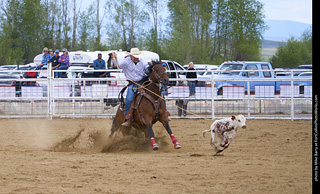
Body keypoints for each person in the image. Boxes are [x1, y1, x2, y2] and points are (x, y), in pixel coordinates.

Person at [114, 48, 149, 126]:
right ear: (130, 56)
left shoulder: (143, 62)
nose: (136, 58)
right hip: (132, 84)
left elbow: (148, 69)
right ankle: (128, 118)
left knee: (153, 96)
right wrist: (115, 58)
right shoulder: (126, 61)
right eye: (134, 56)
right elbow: (118, 65)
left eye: (137, 56)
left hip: (142, 83)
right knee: (129, 99)